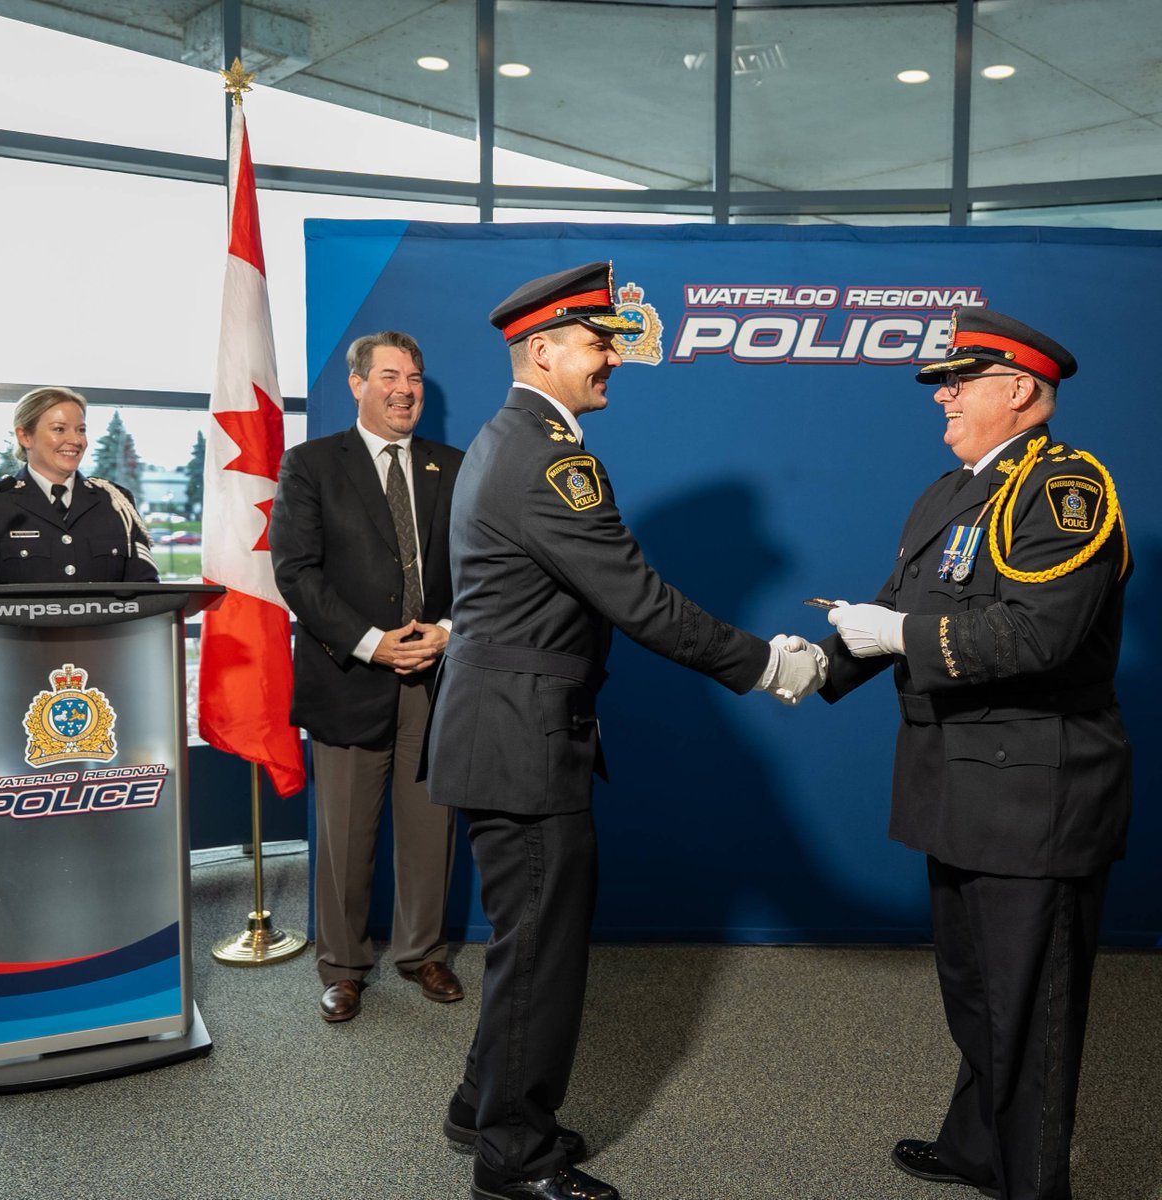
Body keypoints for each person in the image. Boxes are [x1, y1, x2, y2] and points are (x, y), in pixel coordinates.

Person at [424, 261, 826, 1200]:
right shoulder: (548, 457)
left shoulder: (506, 440)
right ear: (542, 350)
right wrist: (768, 664)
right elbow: (640, 601)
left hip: (503, 727)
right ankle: (513, 1159)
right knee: (542, 952)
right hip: (522, 739)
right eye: (598, 342)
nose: (615, 357)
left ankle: (479, 1105)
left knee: (524, 940)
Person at [816, 307, 1132, 1200]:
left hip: (1036, 792)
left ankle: (1033, 1184)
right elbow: (892, 607)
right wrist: (809, 668)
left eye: (961, 381)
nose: (943, 396)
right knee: (978, 988)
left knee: (1030, 1007)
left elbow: (1042, 638)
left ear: (1022, 392)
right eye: (942, 383)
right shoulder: (952, 490)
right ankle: (978, 1145)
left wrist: (902, 632)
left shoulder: (1066, 490)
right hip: (959, 783)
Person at [270, 330, 465, 1022]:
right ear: (357, 384)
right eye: (389, 375)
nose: (405, 388)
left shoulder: (455, 466)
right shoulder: (311, 465)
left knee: (430, 829)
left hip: (435, 677)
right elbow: (296, 573)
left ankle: (423, 953)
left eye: (414, 376)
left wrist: (447, 632)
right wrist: (375, 644)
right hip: (348, 674)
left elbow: (483, 567)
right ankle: (344, 965)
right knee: (346, 835)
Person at [0, 385, 158, 585]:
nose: (75, 440)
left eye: (81, 430)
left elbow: (147, 590)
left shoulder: (116, 502)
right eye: (59, 429)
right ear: (25, 436)